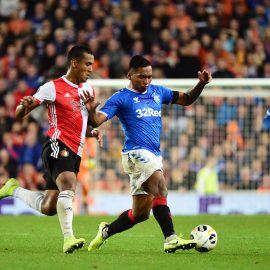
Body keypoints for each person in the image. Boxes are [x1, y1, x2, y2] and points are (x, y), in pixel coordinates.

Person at [84, 55, 212, 253]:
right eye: (142, 77)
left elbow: (186, 99)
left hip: (153, 154)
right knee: (160, 186)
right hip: (135, 153)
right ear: (130, 75)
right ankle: (171, 238)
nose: (146, 81)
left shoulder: (157, 92)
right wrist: (91, 112)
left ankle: (106, 231)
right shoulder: (120, 98)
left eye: (149, 77)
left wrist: (201, 84)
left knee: (141, 213)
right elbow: (97, 121)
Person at [0, 45, 102, 253]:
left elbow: (83, 123)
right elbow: (20, 113)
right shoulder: (53, 87)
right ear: (74, 63)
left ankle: (13, 189)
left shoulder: (88, 90)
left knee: (48, 207)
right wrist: (25, 105)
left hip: (76, 150)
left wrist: (92, 130)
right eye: (87, 64)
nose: (91, 69)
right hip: (57, 144)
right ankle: (69, 239)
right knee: (69, 183)